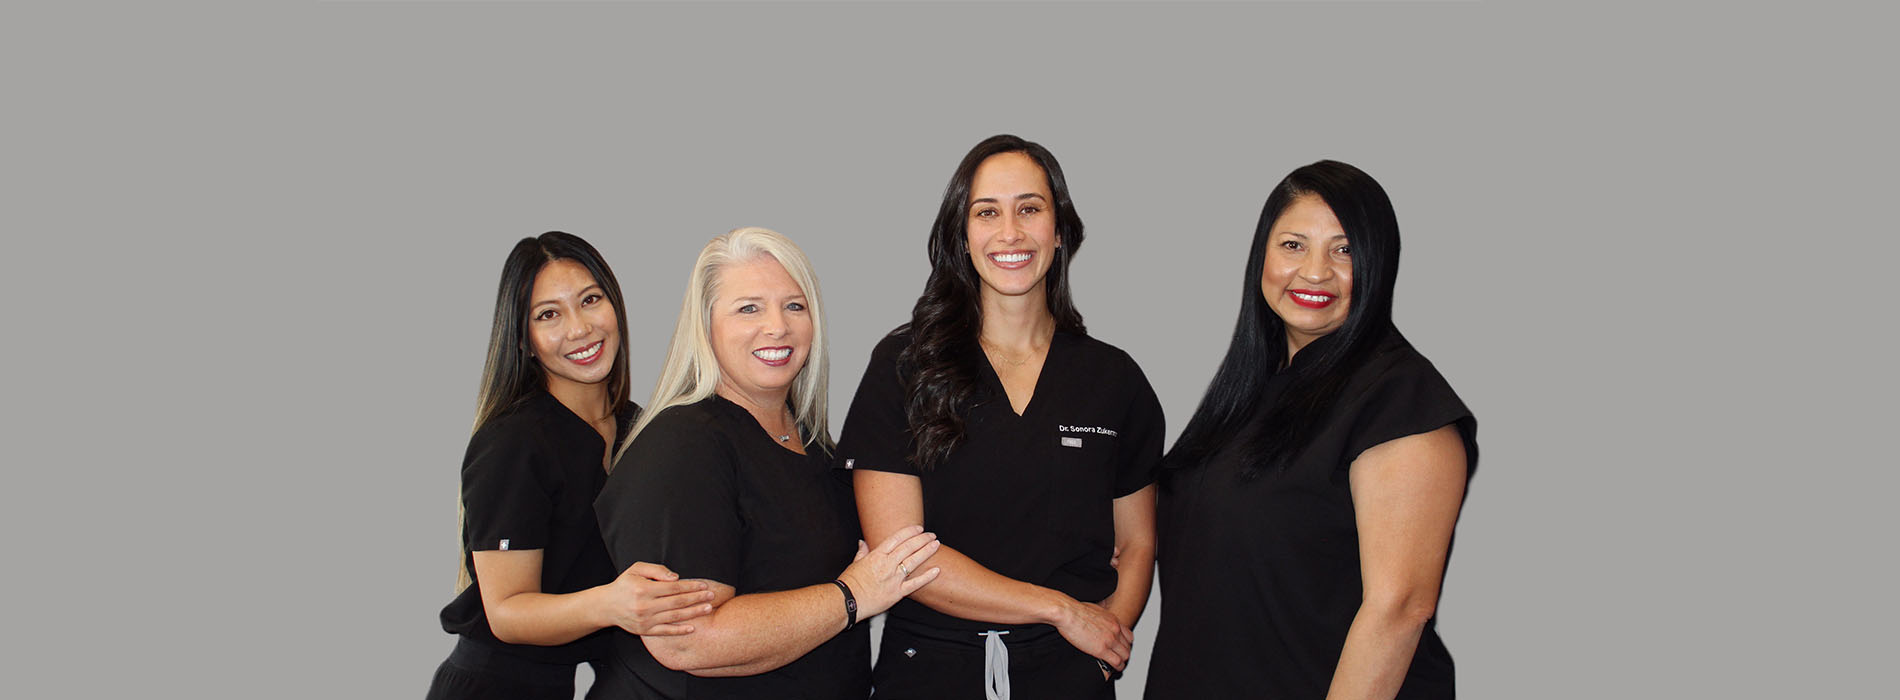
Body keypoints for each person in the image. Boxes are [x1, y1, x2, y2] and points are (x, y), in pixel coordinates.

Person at [840, 134, 1166, 700]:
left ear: (1059, 230)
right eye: (986, 212)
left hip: (1069, 674)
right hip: (931, 674)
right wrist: (1061, 610)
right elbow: (900, 553)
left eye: (1030, 209)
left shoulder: (1114, 380)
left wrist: (1106, 643)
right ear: (962, 236)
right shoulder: (904, 365)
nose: (1010, 232)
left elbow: (1138, 543)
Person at [1144, 161, 1480, 700]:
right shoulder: (1254, 389)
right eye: (1294, 245)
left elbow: (1399, 610)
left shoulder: (1401, 401)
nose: (1316, 272)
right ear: (1263, 256)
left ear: (1378, 263)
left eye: (1344, 250)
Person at [594, 226, 944, 699]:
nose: (777, 326)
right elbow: (689, 641)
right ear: (706, 325)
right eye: (748, 308)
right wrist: (852, 595)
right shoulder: (683, 446)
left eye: (794, 306)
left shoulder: (814, 442)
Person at [429, 231, 718, 700]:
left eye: (590, 300)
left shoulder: (639, 428)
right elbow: (506, 613)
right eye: (549, 315)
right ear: (524, 339)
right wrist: (613, 604)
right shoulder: (513, 442)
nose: (580, 328)